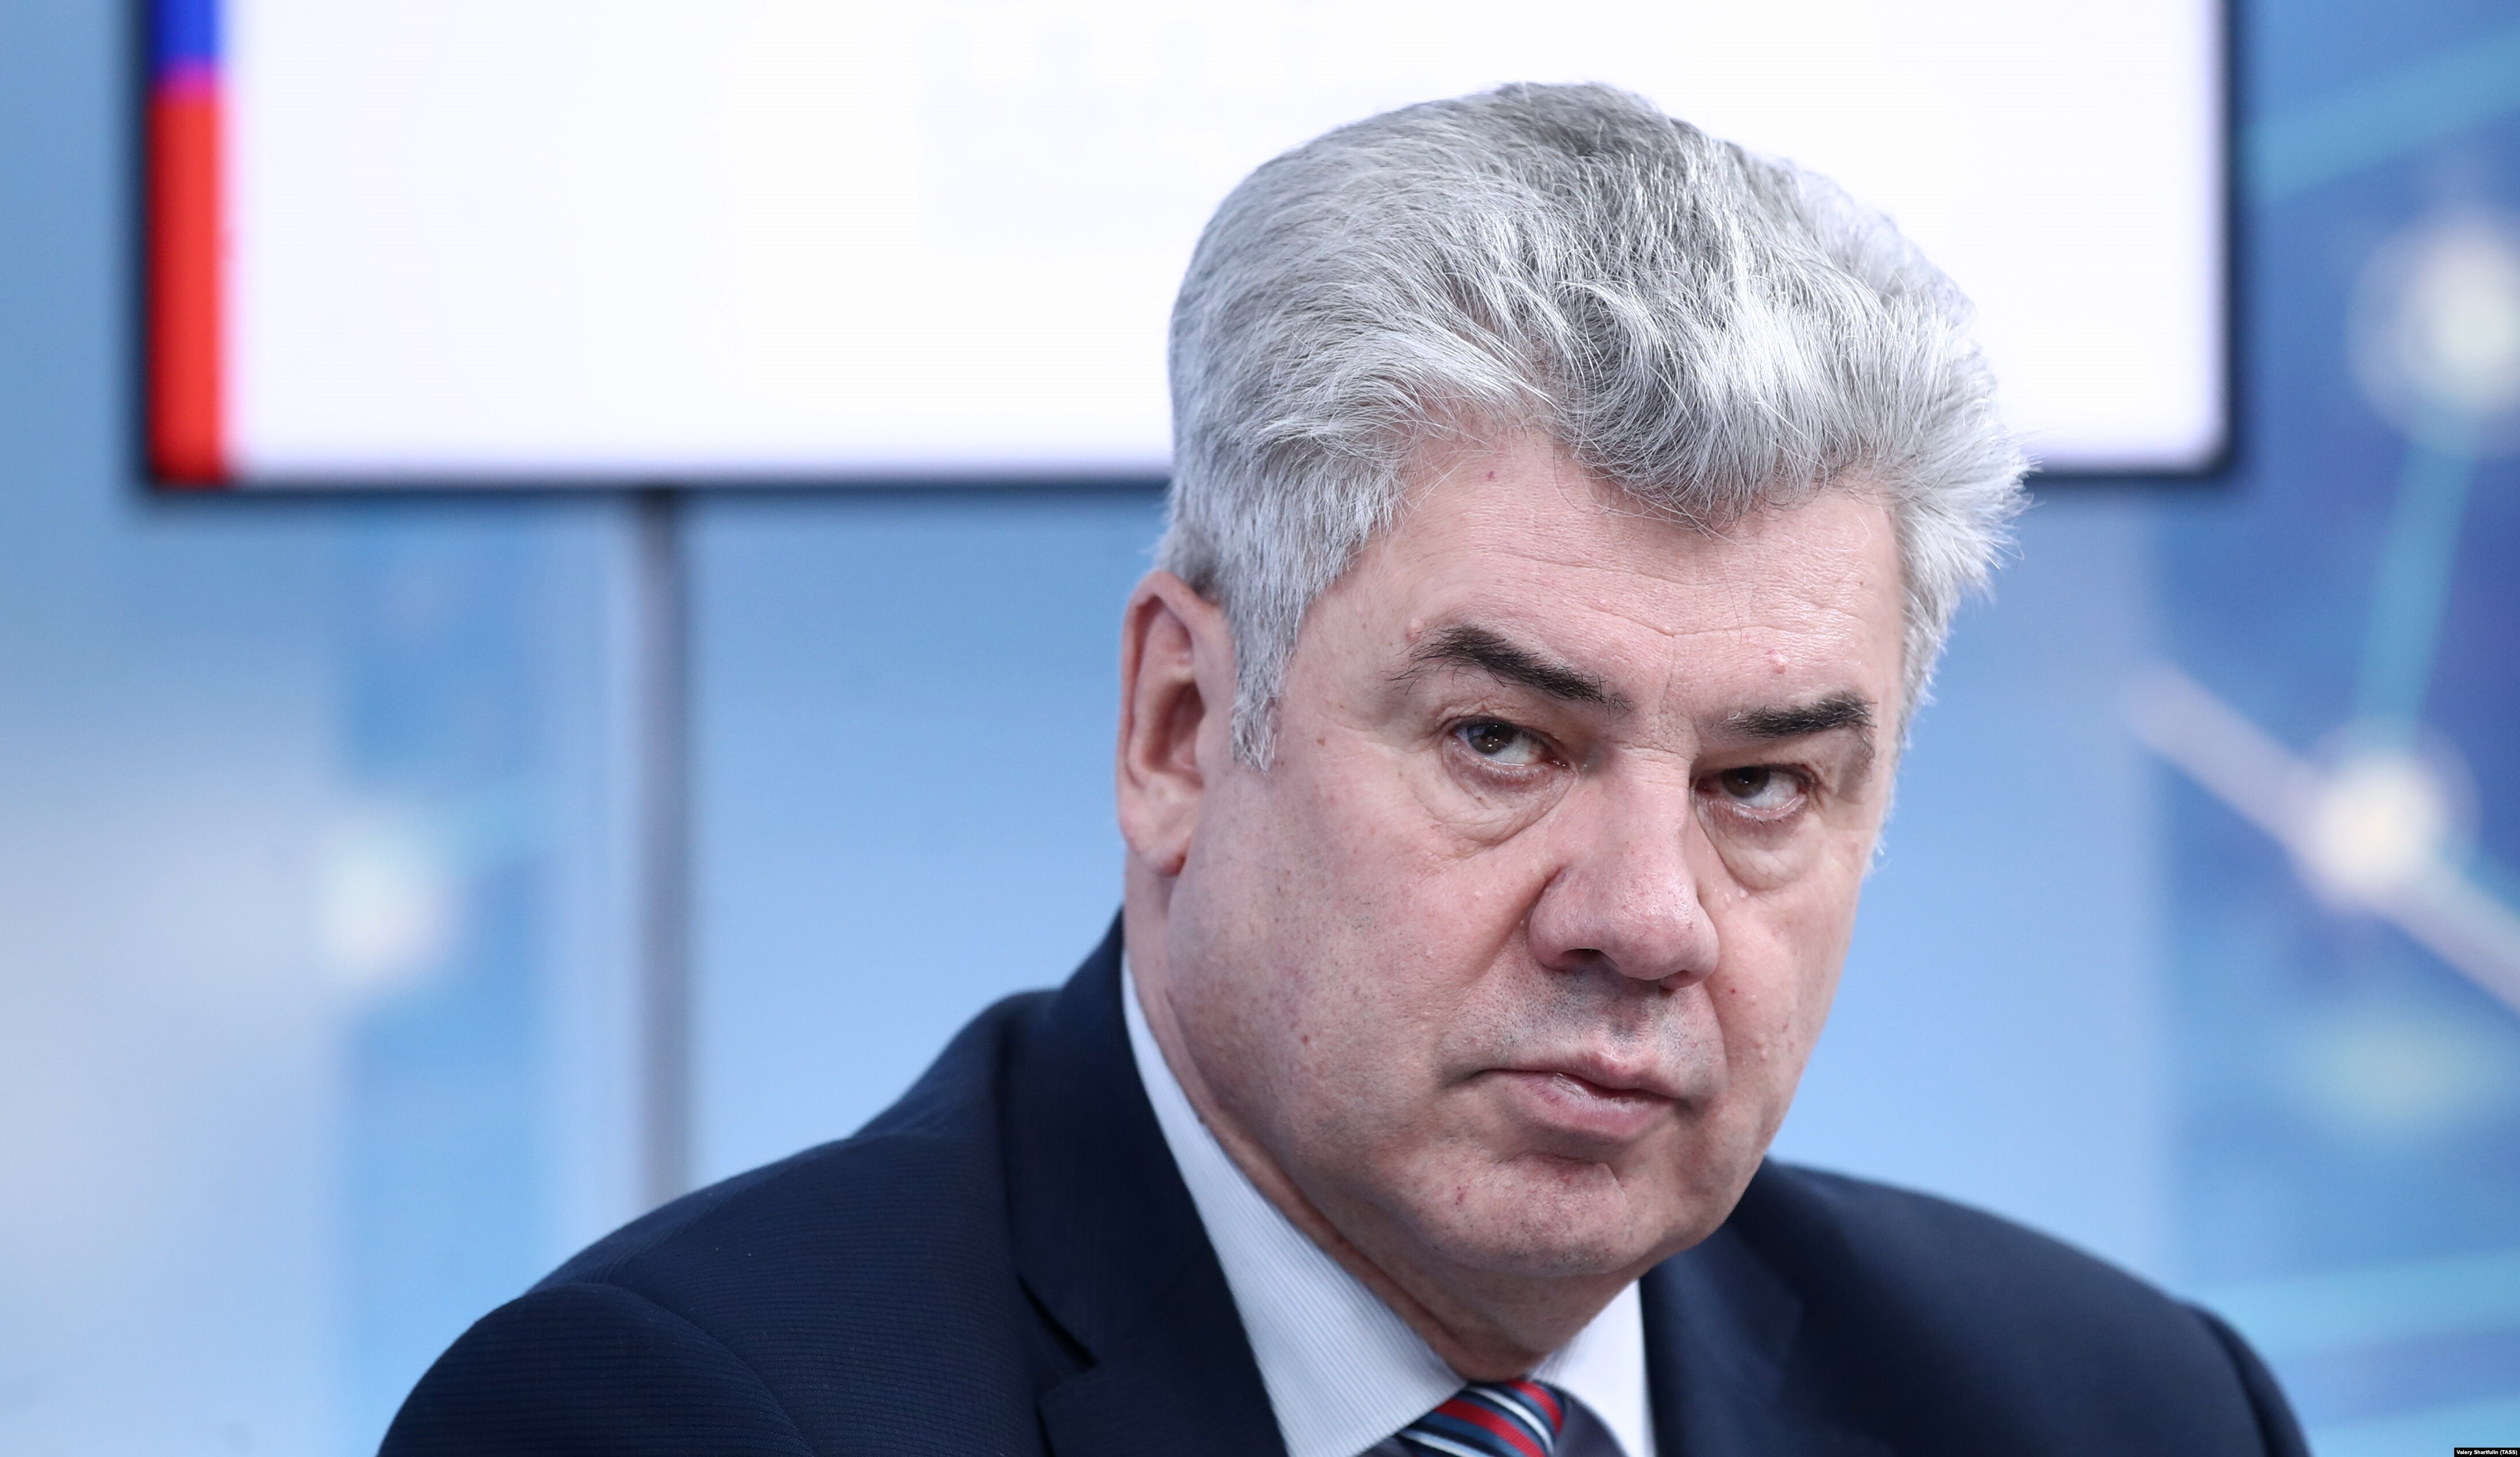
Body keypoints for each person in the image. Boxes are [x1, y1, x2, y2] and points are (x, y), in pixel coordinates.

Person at [382, 85, 2305, 1456]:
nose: (1646, 919)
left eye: (1762, 785)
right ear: (1179, 728)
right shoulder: (673, 1417)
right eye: (1503, 742)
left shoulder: (2123, 1413)